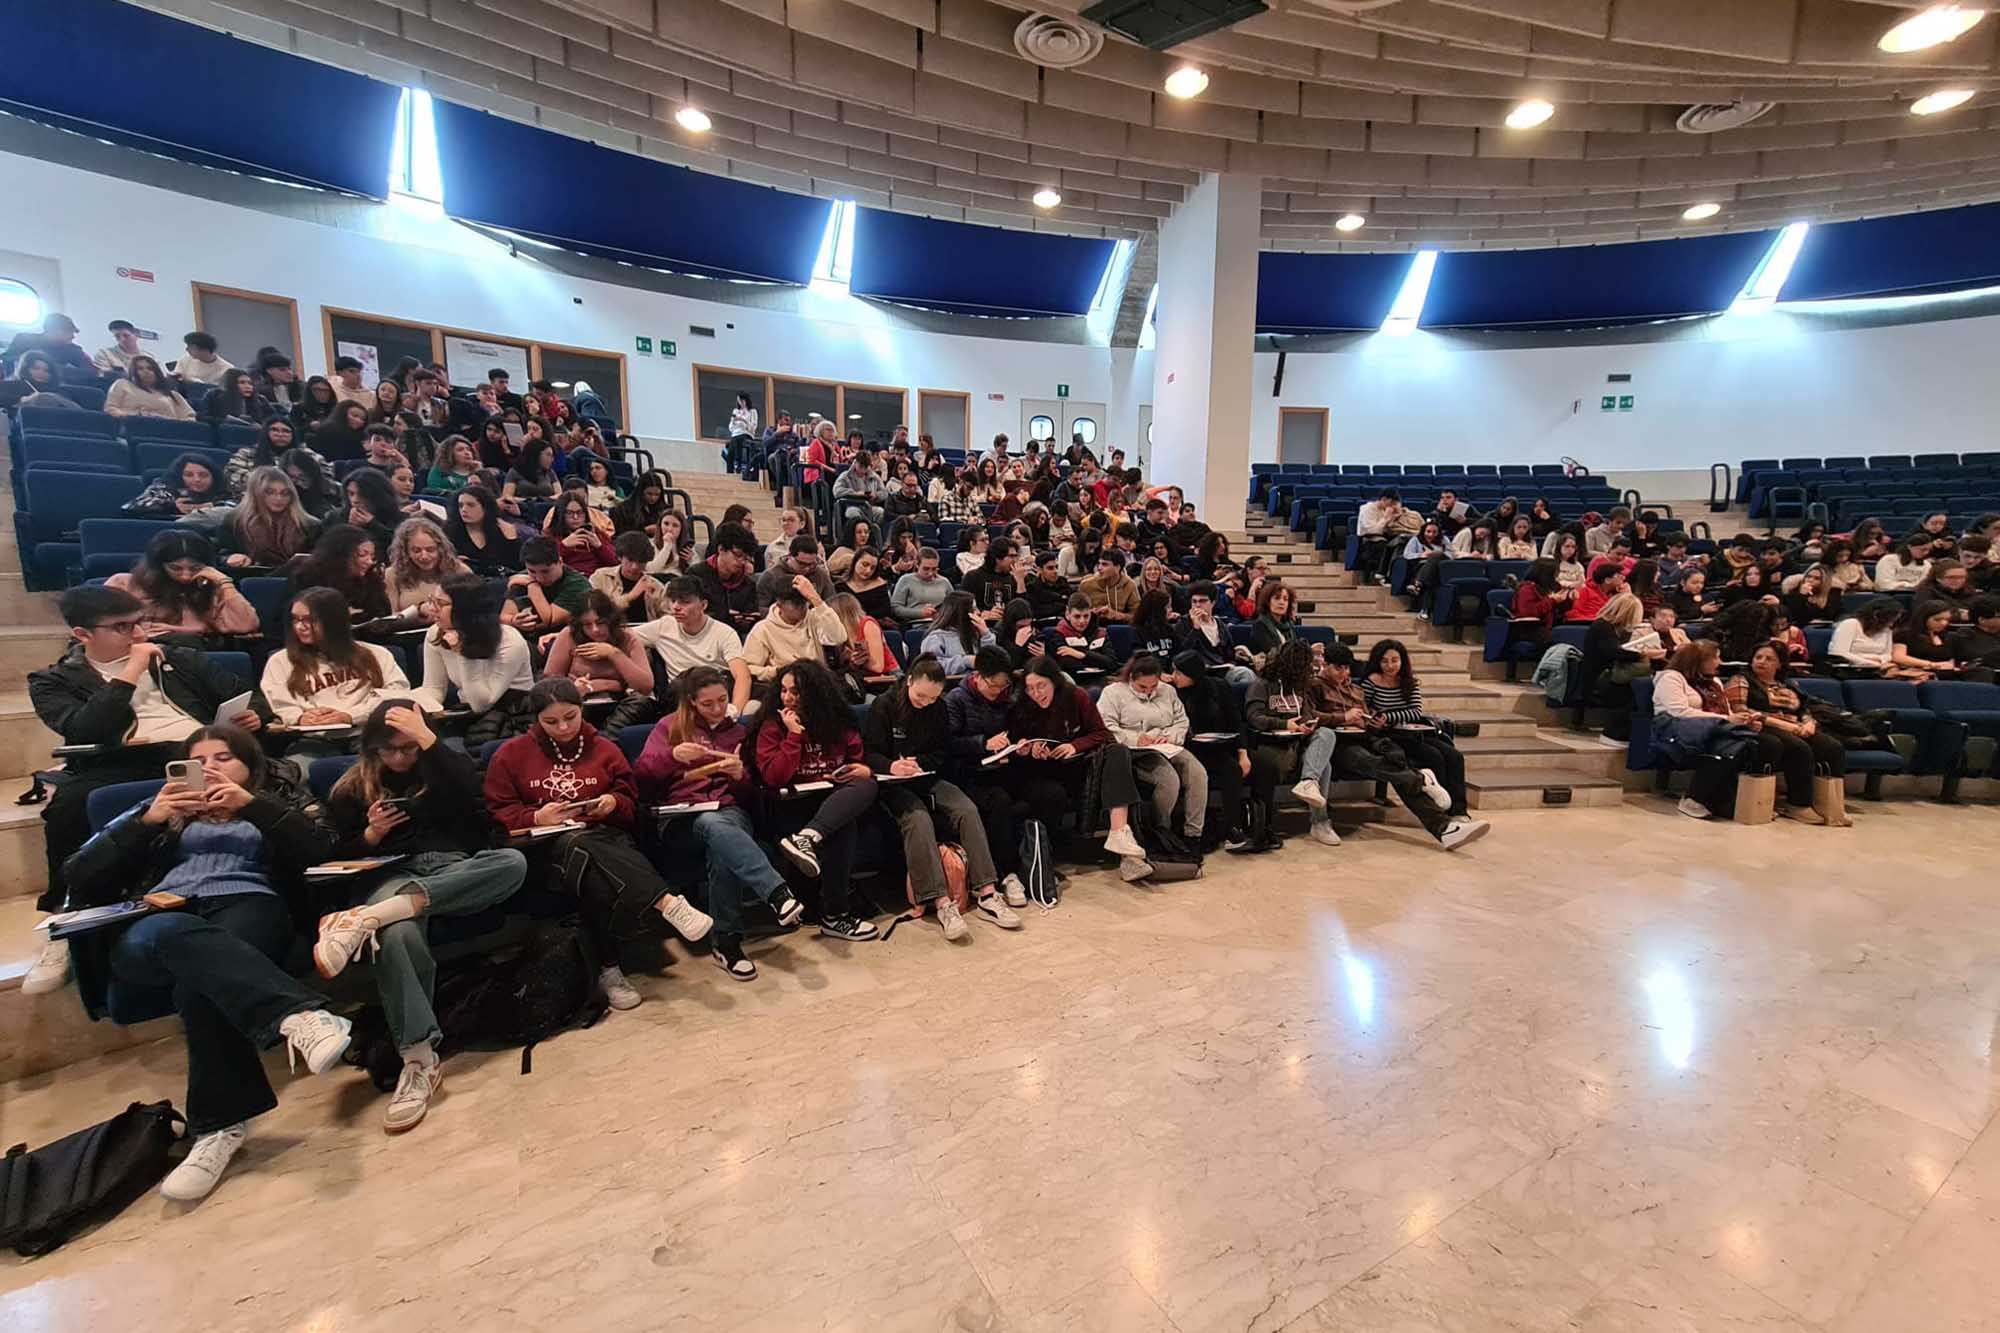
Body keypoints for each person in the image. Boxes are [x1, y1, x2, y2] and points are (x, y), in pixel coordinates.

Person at [59, 724, 351, 1199]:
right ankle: (296, 1014)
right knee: (182, 941)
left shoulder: (269, 800)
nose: (211, 768)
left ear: (249, 768)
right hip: (161, 917)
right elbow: (78, 874)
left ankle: (218, 1129)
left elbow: (323, 849)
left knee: (202, 981)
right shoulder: (156, 810)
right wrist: (146, 821)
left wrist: (253, 807)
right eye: (200, 760)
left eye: (223, 758)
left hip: (248, 904)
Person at [317, 702, 529, 1128]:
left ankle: (366, 919)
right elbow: (332, 855)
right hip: (392, 871)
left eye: (409, 748)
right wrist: (371, 834)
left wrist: (429, 743)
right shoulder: (353, 786)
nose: (399, 758)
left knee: (512, 863)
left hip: (454, 867)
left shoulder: (444, 767)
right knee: (396, 936)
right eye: (388, 750)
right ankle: (418, 1059)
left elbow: (475, 801)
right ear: (372, 749)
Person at [484, 679, 714, 1009]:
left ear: (583, 711)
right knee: (578, 843)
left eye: (571, 717)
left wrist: (612, 802)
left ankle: (609, 969)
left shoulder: (604, 747)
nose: (563, 727)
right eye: (551, 721)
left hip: (606, 840)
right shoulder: (511, 754)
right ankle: (665, 904)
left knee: (593, 864)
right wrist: (535, 817)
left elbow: (629, 800)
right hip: (547, 849)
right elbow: (498, 814)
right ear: (536, 719)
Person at [633, 667, 803, 979]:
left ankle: (727, 942)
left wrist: (739, 775)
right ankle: (776, 893)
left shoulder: (737, 732)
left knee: (721, 838)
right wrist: (672, 756)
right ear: (692, 703)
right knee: (714, 825)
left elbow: (752, 794)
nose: (717, 709)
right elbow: (641, 782)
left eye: (722, 700)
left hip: (728, 811)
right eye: (707, 703)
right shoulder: (669, 727)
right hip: (679, 818)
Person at [862, 657, 1024, 940]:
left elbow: (942, 751)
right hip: (893, 783)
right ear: (909, 681)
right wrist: (892, 766)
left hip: (927, 775)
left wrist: (920, 762)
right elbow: (870, 753)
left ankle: (987, 891)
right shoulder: (884, 705)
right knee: (918, 819)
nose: (925, 702)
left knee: (966, 809)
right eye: (921, 696)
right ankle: (940, 901)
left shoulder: (937, 707)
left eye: (933, 697)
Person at [1296, 642, 1483, 849]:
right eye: (1338, 668)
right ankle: (1421, 778)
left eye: (1347, 668)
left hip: (1367, 738)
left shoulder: (1355, 689)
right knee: (1374, 763)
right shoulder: (1313, 686)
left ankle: (1444, 828)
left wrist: (1366, 720)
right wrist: (1343, 718)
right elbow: (1309, 718)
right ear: (1325, 664)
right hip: (1338, 745)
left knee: (1396, 765)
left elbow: (1368, 715)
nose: (1343, 673)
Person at [745, 660, 882, 941]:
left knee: (866, 785)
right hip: (788, 805)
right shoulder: (773, 725)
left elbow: (854, 759)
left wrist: (862, 768)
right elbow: (774, 777)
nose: (787, 698)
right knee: (841, 826)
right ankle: (836, 916)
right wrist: (794, 736)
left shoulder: (838, 721)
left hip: (828, 801)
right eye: (783, 691)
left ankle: (809, 839)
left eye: (795, 692)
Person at [1006, 656, 1153, 879]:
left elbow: (1103, 734)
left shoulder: (1076, 696)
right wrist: (1030, 748)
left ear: (1054, 682)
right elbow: (1017, 743)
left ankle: (1119, 833)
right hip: (1041, 772)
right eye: (1030, 688)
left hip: (1077, 764)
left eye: (1041, 686)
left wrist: (1075, 746)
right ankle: (1054, 857)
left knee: (1118, 752)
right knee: (1051, 794)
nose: (1036, 693)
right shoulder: (1022, 706)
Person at [1651, 639, 1773, 821]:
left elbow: (1727, 711)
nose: (1720, 662)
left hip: (1714, 727)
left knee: (1757, 742)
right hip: (1677, 729)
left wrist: (1743, 722)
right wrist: (1726, 720)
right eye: (1715, 658)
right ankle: (1694, 798)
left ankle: (1726, 799)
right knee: (1729, 744)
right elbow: (1678, 712)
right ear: (1699, 660)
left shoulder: (1714, 681)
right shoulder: (1671, 678)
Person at [1730, 644, 1849, 826]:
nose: (1761, 662)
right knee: (1799, 748)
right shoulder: (1741, 679)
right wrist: (1787, 726)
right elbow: (1743, 712)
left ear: (1779, 664)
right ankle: (1798, 804)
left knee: (1833, 747)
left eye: (1769, 659)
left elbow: (1804, 709)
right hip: (1764, 725)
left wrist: (1809, 723)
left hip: (1796, 725)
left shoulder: (1788, 684)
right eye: (1758, 657)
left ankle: (1830, 804)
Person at [258, 587, 408, 730]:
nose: (300, 627)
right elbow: (281, 705)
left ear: (334, 622)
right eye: (296, 619)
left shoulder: (377, 654)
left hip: (368, 732)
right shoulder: (280, 661)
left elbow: (398, 694)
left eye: (309, 620)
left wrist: (351, 716)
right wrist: (300, 718)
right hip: (312, 737)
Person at [1097, 654, 1208, 846]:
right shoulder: (1112, 693)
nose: (1149, 691)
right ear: (1131, 678)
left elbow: (1181, 721)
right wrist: (1135, 738)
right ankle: (1162, 831)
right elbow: (1105, 726)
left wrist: (1170, 736)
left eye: (1153, 686)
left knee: (1198, 774)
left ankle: (1193, 835)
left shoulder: (1168, 691)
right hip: (1135, 751)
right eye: (1142, 687)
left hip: (1168, 745)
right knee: (1168, 780)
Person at [1358, 638, 1475, 821]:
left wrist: (1388, 717)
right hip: (1389, 736)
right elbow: (1364, 708)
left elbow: (1416, 711)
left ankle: (1459, 810)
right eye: (1385, 661)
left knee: (1454, 756)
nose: (1390, 665)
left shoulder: (1409, 682)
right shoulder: (1371, 682)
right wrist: (1376, 719)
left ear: (1402, 661)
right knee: (1433, 756)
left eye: (1395, 660)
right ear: (1377, 662)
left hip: (1413, 731)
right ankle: (1444, 807)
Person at [413, 573, 536, 741]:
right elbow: (434, 689)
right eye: (431, 600)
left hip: (510, 719)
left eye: (441, 603)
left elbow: (481, 704)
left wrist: (461, 652)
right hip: (466, 714)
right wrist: (408, 704)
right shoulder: (435, 632)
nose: (432, 609)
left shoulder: (509, 640)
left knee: (453, 750)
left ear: (466, 609)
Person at [629, 575, 754, 714]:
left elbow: (742, 676)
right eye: (673, 600)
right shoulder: (663, 626)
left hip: (714, 696)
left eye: (684, 602)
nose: (676, 607)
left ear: (703, 605)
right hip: (681, 700)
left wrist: (734, 712)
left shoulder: (724, 633)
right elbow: (622, 637)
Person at [106, 529, 259, 640]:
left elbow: (246, 625)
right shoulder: (123, 584)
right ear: (158, 566)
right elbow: (100, 624)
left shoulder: (209, 586)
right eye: (175, 568)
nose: (186, 576)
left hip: (186, 656)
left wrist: (225, 583)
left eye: (195, 568)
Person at [544, 590, 657, 728]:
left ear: (611, 620)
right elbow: (550, 680)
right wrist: (572, 688)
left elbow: (646, 686)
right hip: (581, 702)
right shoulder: (569, 635)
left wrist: (614, 654)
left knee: (640, 703)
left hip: (618, 703)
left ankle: (606, 740)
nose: (595, 630)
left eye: (601, 623)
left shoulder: (627, 637)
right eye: (587, 625)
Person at [744, 572, 847, 682]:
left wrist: (815, 598)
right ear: (780, 605)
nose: (803, 607)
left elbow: (838, 638)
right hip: (783, 686)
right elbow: (748, 668)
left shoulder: (816, 617)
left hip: (818, 683)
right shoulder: (762, 629)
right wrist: (778, 672)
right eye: (796, 604)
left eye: (805, 602)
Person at [217, 466, 318, 571]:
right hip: (252, 578)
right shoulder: (234, 521)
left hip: (297, 580)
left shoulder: (309, 525)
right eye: (270, 492)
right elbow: (220, 555)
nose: (279, 498)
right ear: (255, 494)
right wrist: (229, 558)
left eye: (285, 493)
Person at [289, 523, 392, 624]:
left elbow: (383, 615)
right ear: (341, 555)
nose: (369, 561)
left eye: (372, 556)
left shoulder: (371, 580)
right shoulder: (308, 579)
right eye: (362, 555)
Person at [383, 515, 466, 620]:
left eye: (430, 549)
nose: (424, 556)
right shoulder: (392, 574)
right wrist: (418, 610)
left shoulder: (459, 570)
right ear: (405, 551)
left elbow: (476, 611)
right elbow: (393, 618)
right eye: (416, 551)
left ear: (440, 548)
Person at [692, 521, 763, 636]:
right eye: (738, 555)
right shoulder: (696, 575)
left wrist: (747, 621)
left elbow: (751, 613)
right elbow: (690, 612)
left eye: (746, 558)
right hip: (703, 635)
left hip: (735, 636)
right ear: (721, 549)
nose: (741, 562)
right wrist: (724, 617)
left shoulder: (748, 583)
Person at [1830, 601, 1928, 678]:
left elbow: (1888, 655)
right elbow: (1839, 652)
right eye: (1889, 620)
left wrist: (1880, 660)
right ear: (1876, 616)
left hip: (1880, 667)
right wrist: (1871, 662)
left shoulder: (1887, 630)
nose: (1891, 624)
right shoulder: (1851, 624)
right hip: (1853, 669)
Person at [124, 451, 227, 519]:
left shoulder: (222, 493)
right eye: (189, 475)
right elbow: (130, 508)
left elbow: (237, 507)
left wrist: (214, 508)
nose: (197, 479)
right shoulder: (165, 489)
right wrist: (172, 507)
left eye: (203, 475)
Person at [443, 486, 520, 577]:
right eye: (460, 505)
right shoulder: (450, 531)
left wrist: (511, 539)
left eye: (470, 505)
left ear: (485, 507)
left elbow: (515, 567)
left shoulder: (502, 530)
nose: (464, 509)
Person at [918, 592, 993, 676]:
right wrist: (965, 661)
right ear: (961, 613)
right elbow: (930, 668)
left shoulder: (976, 633)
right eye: (973, 609)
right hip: (950, 685)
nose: (978, 612)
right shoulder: (936, 638)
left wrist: (986, 635)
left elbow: (990, 662)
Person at [104, 353, 195, 419]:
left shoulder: (172, 395)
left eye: (150, 368)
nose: (146, 371)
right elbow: (110, 409)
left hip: (169, 432)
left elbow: (189, 417)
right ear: (133, 371)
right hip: (133, 428)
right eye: (140, 369)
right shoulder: (122, 384)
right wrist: (133, 416)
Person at [1895, 603, 1964, 677]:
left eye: (1947, 619)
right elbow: (1898, 657)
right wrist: (1931, 664)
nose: (1944, 623)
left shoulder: (1949, 636)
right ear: (1924, 618)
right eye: (1937, 619)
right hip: (1916, 674)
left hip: (1944, 676)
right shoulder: (1905, 634)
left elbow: (1952, 661)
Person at [891, 546, 952, 625]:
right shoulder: (906, 580)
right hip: (918, 625)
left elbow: (953, 605)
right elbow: (895, 608)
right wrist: (920, 613)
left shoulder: (944, 582)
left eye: (934, 569)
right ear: (917, 565)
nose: (930, 573)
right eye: (926, 569)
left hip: (942, 624)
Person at [1079, 548, 1139, 623]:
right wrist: (1092, 613)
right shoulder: (1086, 585)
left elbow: (1137, 616)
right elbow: (1077, 613)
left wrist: (1117, 615)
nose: (1099, 568)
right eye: (1099, 564)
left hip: (1119, 627)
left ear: (1117, 567)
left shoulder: (1130, 585)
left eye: (1105, 564)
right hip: (1092, 627)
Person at [837, 547, 894, 624]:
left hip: (873, 626)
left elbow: (885, 611)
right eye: (865, 564)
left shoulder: (880, 585)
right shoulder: (840, 586)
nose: (868, 571)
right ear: (855, 561)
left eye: (872, 568)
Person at [1247, 580, 1299, 656]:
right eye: (1277, 598)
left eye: (1285, 599)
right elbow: (1270, 653)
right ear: (1268, 602)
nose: (1281, 602)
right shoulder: (1260, 625)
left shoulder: (1289, 626)